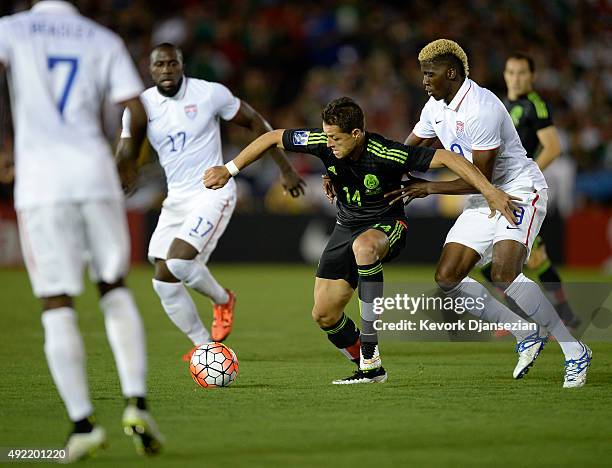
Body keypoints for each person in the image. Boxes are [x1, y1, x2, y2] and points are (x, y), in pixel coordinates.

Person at [204, 96, 519, 384]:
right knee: (324, 314)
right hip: (346, 226)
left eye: (336, 138)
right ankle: (371, 368)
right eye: (326, 136)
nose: (328, 144)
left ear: (357, 133)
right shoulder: (324, 142)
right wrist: (229, 169)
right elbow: (272, 137)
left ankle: (370, 347)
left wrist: (490, 192)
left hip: (387, 225)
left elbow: (450, 158)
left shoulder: (385, 152)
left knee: (364, 247)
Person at [0, 0, 163, 462]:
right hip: (95, 172)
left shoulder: (12, 29)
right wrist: (127, 162)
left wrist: (4, 144)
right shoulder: (101, 38)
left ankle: (83, 424)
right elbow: (136, 109)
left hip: (41, 180)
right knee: (113, 287)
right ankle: (137, 402)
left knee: (57, 301)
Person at [390, 39, 591, 388]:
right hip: (483, 197)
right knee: (448, 277)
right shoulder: (434, 107)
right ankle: (525, 330)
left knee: (504, 272)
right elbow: (405, 153)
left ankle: (575, 351)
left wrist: (429, 187)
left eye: (429, 74)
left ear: (450, 73)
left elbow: (480, 179)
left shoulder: (481, 107)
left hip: (517, 190)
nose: (424, 81)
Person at [118, 43, 305, 362]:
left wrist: (285, 168)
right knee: (163, 281)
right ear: (149, 70)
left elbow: (257, 123)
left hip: (213, 190)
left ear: (182, 65)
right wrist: (122, 171)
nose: (166, 70)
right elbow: (125, 148)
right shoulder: (141, 107)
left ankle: (222, 299)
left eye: (171, 63)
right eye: (159, 65)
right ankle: (206, 348)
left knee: (178, 263)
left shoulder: (209, 94)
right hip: (176, 198)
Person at [480, 53, 579, 329]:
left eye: (522, 73)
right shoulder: (503, 104)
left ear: (532, 76)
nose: (516, 78)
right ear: (505, 74)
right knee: (489, 256)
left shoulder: (535, 105)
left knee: (530, 257)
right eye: (511, 72)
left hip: (518, 191)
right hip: (501, 188)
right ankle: (547, 313)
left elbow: (553, 147)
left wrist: (526, 173)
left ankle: (549, 315)